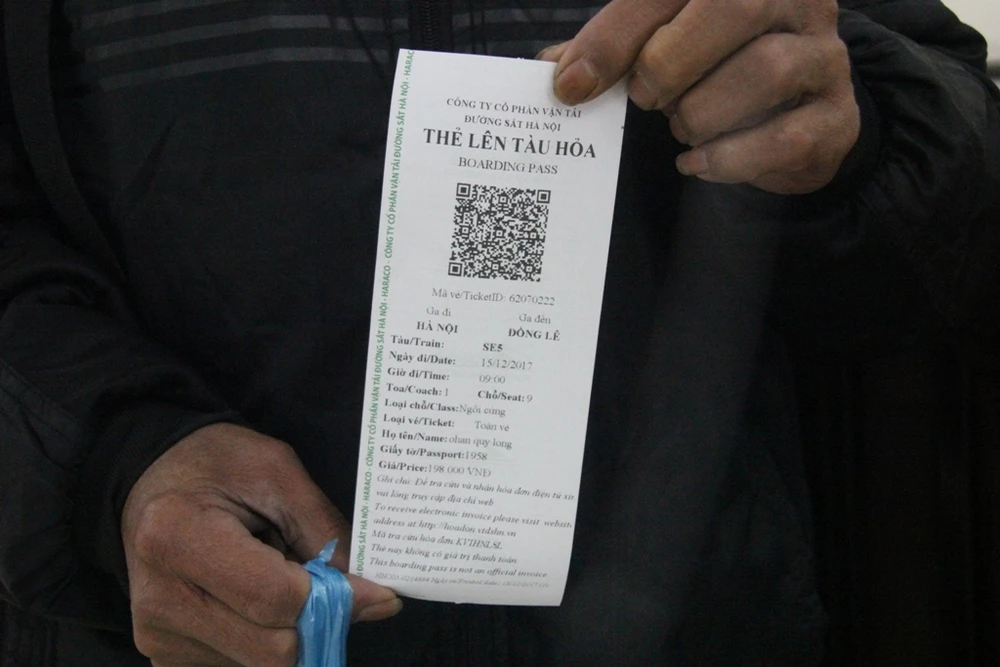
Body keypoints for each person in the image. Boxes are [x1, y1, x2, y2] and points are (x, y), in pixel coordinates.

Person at [1, 1, 997, 665]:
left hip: (717, 621)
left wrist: (846, 130)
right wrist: (116, 458)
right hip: (195, 634)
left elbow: (960, 164)